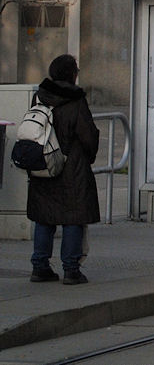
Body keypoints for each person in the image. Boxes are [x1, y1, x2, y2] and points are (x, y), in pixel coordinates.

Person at [27, 54, 99, 285]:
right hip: (72, 167)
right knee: (73, 218)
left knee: (44, 217)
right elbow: (87, 135)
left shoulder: (40, 96)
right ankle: (71, 269)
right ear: (72, 74)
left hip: (44, 164)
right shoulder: (76, 100)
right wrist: (89, 156)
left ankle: (40, 266)